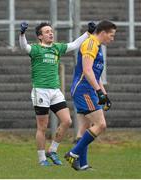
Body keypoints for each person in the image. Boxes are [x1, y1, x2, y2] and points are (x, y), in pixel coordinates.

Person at [19, 21, 95, 166]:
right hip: (40, 91)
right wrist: (22, 33)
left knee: (67, 121)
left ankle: (52, 150)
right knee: (42, 127)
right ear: (40, 37)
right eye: (47, 31)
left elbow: (73, 45)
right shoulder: (35, 49)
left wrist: (88, 32)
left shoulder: (56, 48)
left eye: (51, 31)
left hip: (55, 91)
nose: (51, 33)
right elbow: (24, 46)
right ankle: (42, 159)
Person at [64, 20, 117, 170]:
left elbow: (96, 74)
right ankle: (73, 154)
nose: (112, 39)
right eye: (111, 35)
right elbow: (87, 71)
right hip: (84, 90)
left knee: (85, 127)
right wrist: (99, 92)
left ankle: (82, 164)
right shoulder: (90, 44)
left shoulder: (97, 46)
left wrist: (104, 94)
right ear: (103, 33)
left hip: (87, 89)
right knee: (101, 125)